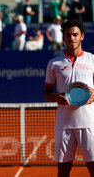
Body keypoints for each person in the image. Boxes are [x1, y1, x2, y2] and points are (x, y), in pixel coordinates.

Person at [44, 19, 94, 177]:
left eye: (75, 34)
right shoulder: (54, 64)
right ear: (64, 38)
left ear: (82, 36)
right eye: (68, 35)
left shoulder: (93, 60)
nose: (71, 38)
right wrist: (57, 97)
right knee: (63, 171)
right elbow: (47, 93)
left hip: (89, 124)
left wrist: (93, 95)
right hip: (64, 125)